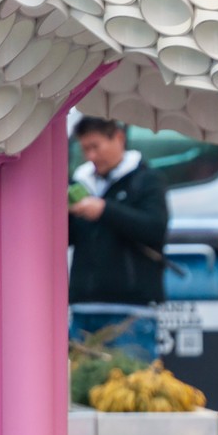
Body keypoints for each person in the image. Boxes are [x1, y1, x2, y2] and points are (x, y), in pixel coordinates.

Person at [67, 116, 170, 306]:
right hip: (84, 302)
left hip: (134, 305)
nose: (91, 157)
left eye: (95, 147)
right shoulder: (79, 182)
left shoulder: (147, 180)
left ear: (119, 138)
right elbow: (67, 238)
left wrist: (105, 210)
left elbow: (155, 229)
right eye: (85, 149)